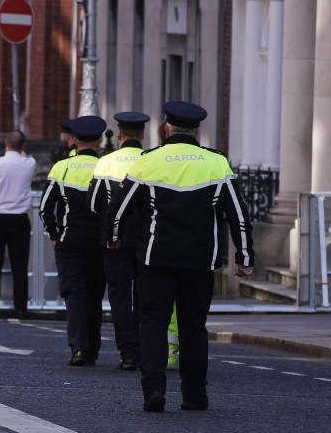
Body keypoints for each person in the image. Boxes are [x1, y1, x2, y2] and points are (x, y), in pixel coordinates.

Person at [109, 101, 255, 413]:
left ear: (167, 127)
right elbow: (239, 214)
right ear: (196, 131)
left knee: (152, 321)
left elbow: (118, 208)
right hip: (199, 261)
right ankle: (194, 395)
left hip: (156, 258)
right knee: (193, 327)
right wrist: (245, 255)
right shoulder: (217, 163)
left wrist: (113, 237)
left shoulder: (148, 161)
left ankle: (154, 389)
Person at [39, 115, 106, 366]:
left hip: (70, 239)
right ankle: (93, 349)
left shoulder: (62, 167)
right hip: (100, 241)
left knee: (74, 294)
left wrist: (53, 234)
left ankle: (79, 348)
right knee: (94, 295)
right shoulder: (106, 167)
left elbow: (45, 207)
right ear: (99, 141)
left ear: (75, 140)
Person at [87, 111, 149, 371]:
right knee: (145, 297)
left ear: (120, 134)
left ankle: (128, 353)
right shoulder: (150, 159)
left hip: (115, 241)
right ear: (143, 134)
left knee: (120, 297)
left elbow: (93, 204)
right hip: (147, 240)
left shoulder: (106, 162)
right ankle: (146, 350)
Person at [0, 130, 37, 319]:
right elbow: (24, 155)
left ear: (5, 144)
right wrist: (21, 149)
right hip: (19, 219)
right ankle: (21, 308)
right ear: (23, 146)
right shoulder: (30, 163)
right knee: (20, 266)